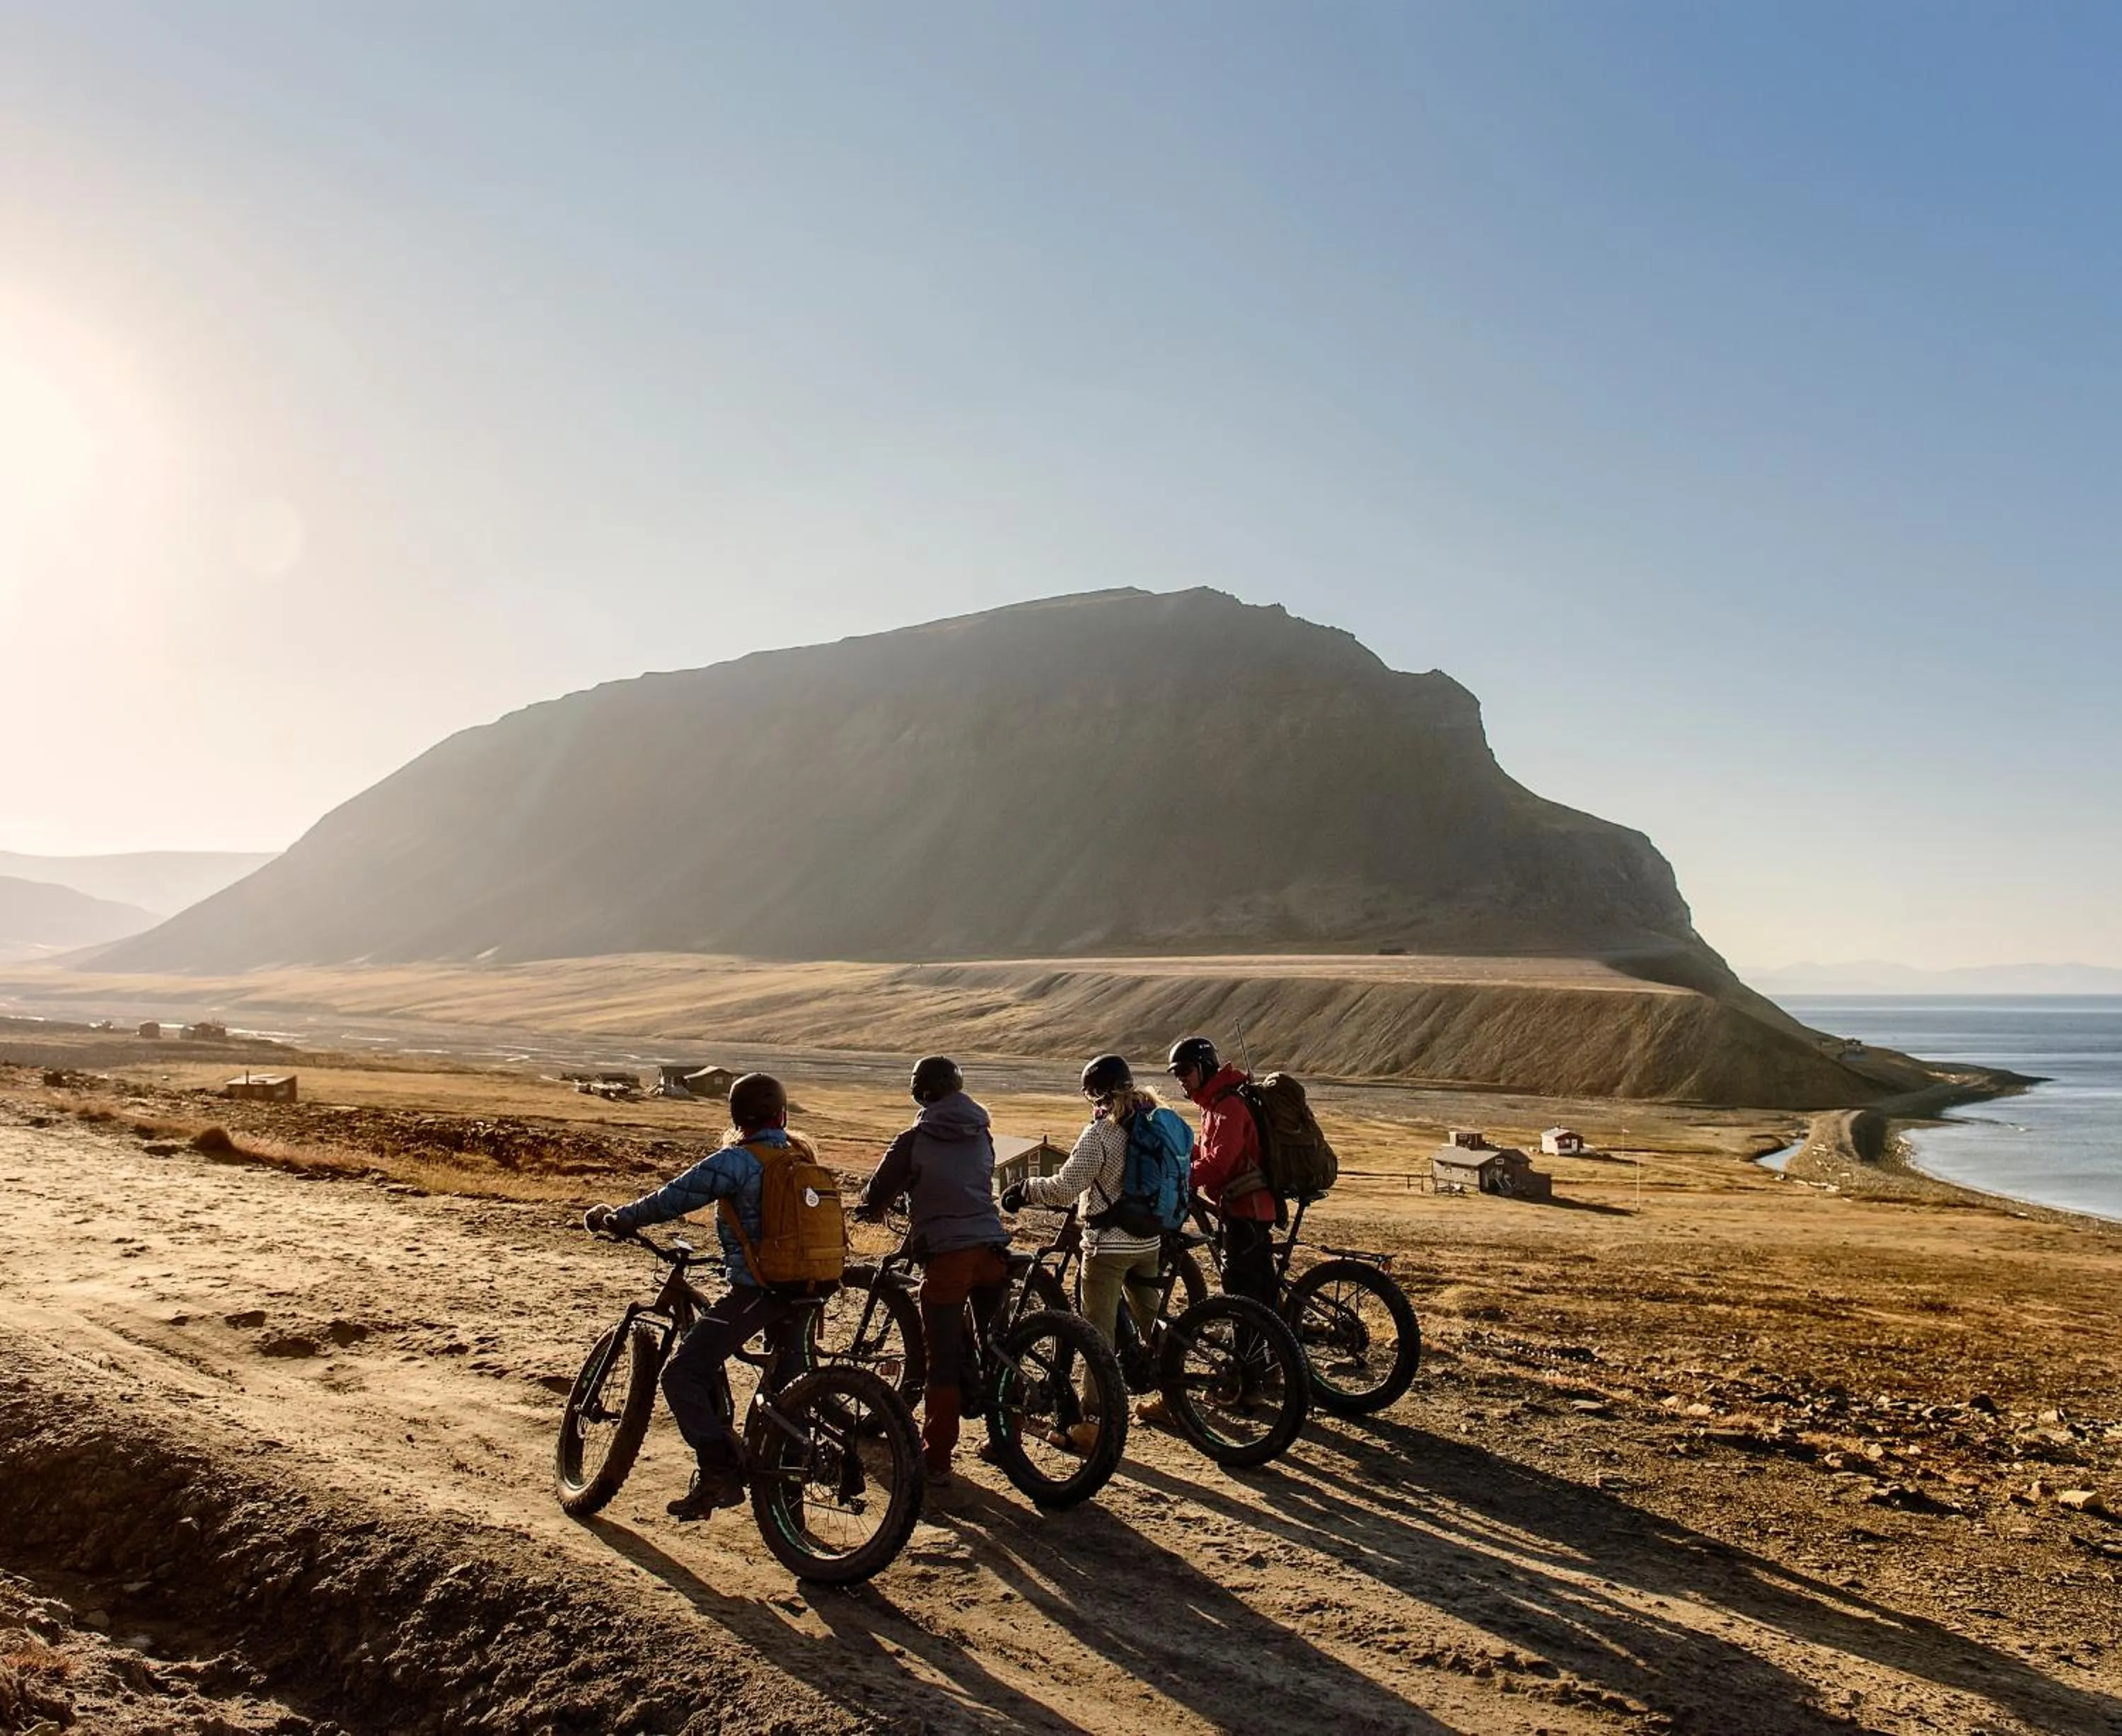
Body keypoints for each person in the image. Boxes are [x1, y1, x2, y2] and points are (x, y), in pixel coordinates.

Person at [582, 1072, 811, 1521]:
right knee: (790, 1390)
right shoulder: (802, 1156)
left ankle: (719, 1472)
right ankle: (791, 1517)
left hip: (761, 1291)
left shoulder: (737, 1160)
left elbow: (674, 1197)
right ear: (781, 1114)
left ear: (737, 1117)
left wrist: (622, 1219)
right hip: (810, 1287)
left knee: (682, 1375)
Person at [857, 1055, 1010, 1487]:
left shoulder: (915, 1137)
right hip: (992, 1247)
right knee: (998, 1346)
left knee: (940, 1357)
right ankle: (1006, 1441)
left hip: (948, 1254)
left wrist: (869, 1208)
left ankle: (938, 1457)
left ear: (921, 1093)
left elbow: (879, 1190)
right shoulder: (982, 1131)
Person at [1001, 1054, 1167, 1430]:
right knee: (1152, 1321)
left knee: (1097, 1335)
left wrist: (1024, 1189)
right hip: (1149, 1241)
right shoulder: (1154, 1121)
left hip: (1108, 1247)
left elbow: (1064, 1189)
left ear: (1095, 1094)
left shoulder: (1100, 1134)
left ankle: (1094, 1420)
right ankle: (1172, 1396)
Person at [1167, 1036, 1280, 1319]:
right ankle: (1270, 1352)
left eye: (1185, 1071)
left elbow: (1220, 1163)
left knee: (1242, 1292)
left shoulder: (1228, 1105)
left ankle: (1255, 1358)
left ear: (1204, 1068)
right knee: (1255, 1288)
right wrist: (1176, 1153)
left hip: (1247, 1209)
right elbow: (1209, 1153)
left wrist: (1179, 1179)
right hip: (1240, 1207)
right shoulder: (1213, 1104)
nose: (1181, 1079)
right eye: (1177, 1073)